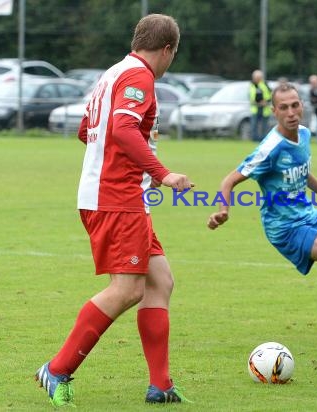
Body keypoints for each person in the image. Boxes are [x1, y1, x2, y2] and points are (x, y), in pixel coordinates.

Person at [35, 14, 193, 406]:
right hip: (116, 200)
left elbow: (86, 129)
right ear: (168, 49)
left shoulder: (113, 72)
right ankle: (58, 368)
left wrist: (137, 170)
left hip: (113, 194)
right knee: (127, 289)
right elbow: (121, 129)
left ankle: (161, 386)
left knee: (160, 282)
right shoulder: (140, 77)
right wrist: (160, 172)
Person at [208, 83, 317, 277]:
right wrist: (223, 211)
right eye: (284, 108)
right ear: (274, 111)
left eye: (295, 105)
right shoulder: (270, 149)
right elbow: (229, 180)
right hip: (285, 226)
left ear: (302, 105)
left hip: (309, 214)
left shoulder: (304, 134)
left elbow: (302, 173)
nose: (291, 113)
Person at [249, 69, 272, 141]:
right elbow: (250, 96)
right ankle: (254, 139)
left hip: (265, 109)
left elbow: (271, 95)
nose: (257, 79)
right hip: (255, 109)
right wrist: (254, 102)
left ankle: (263, 139)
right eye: (256, 78)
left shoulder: (265, 85)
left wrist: (266, 101)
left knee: (264, 126)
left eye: (258, 77)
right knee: (254, 125)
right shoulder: (251, 85)